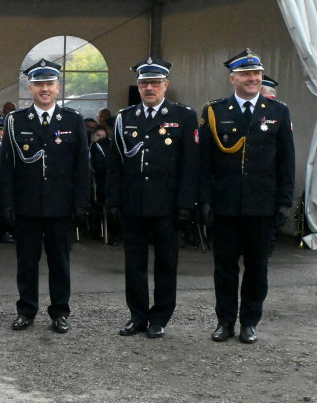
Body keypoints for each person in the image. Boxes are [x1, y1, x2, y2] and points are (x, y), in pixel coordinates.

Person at [199, 49, 294, 344]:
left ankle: (249, 322)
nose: (253, 79)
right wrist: (203, 201)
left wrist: (283, 202)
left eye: (257, 74)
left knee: (257, 269)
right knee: (224, 268)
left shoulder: (278, 111)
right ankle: (225, 321)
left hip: (261, 206)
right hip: (225, 205)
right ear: (233, 78)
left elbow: (286, 161)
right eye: (246, 74)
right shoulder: (215, 112)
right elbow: (205, 163)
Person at [106, 57, 199, 339]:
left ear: (166, 85)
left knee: (165, 264)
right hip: (134, 202)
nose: (150, 88)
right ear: (138, 86)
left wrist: (186, 204)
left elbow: (190, 165)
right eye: (145, 83)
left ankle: (160, 317)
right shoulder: (125, 118)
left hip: (166, 205)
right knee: (134, 264)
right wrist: (112, 201)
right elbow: (115, 164)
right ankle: (137, 315)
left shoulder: (183, 116)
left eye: (155, 83)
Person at [0, 59, 90, 334]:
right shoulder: (15, 120)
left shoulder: (73, 120)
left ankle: (60, 312)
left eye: (49, 84)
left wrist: (81, 204)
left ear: (58, 87)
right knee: (26, 263)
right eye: (39, 84)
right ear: (30, 88)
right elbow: (7, 166)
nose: (45, 89)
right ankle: (26, 311)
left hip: (60, 207)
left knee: (60, 263)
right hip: (26, 206)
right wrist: (7, 203)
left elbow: (82, 169)